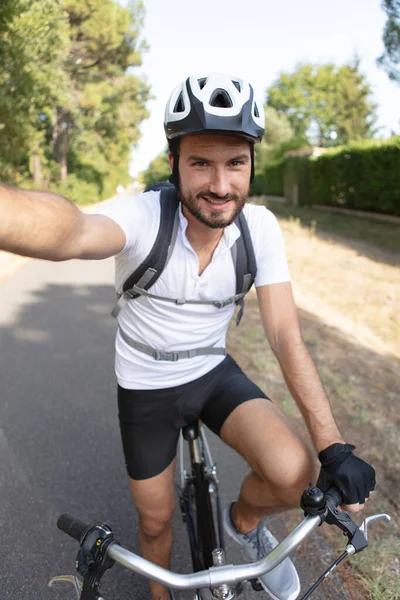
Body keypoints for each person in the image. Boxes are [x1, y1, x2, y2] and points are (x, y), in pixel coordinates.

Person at [0, 73, 375, 600]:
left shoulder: (259, 230)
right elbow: (71, 230)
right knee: (154, 526)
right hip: (146, 382)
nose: (220, 185)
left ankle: (243, 523)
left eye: (235, 163)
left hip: (210, 369)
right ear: (174, 163)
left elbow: (284, 332)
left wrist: (333, 445)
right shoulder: (144, 218)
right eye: (201, 162)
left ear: (251, 166)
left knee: (296, 475)